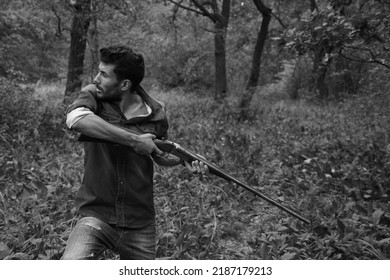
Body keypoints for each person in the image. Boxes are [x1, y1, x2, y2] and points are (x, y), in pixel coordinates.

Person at [62, 45, 207, 260]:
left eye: (103, 74)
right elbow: (76, 119)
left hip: (139, 222)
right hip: (97, 215)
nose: (96, 78)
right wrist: (133, 140)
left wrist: (181, 160)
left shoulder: (156, 112)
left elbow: (157, 153)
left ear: (125, 84)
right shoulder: (93, 94)